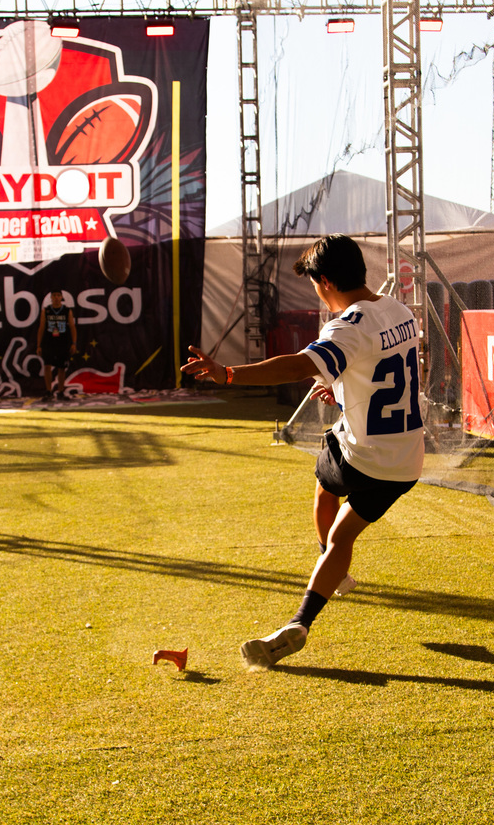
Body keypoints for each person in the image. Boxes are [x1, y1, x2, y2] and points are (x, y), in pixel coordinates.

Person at [181, 235, 426, 668]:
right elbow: (384, 370)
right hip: (406, 459)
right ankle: (301, 620)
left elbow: (298, 365)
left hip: (362, 458)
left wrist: (228, 374)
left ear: (325, 281)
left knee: (325, 492)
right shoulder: (400, 310)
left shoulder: (347, 326)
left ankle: (327, 569)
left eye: (314, 284)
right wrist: (343, 391)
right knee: (343, 536)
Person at [36, 290, 78, 399]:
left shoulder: (67, 310)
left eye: (58, 295)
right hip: (49, 341)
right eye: (54, 295)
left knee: (61, 367)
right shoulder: (46, 310)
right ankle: (48, 391)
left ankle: (60, 391)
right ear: (51, 297)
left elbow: (72, 327)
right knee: (47, 365)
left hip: (62, 341)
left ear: (61, 297)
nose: (56, 297)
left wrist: (74, 343)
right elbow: (41, 327)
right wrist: (39, 345)